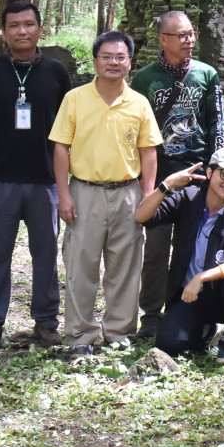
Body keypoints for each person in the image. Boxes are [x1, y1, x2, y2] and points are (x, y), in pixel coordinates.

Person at [0, 2, 73, 350]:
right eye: (14, 26)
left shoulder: (57, 73)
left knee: (45, 255)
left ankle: (46, 322)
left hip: (45, 180)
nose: (21, 32)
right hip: (1, 179)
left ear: (41, 30)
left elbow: (68, 127)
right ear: (4, 32)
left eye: (29, 25)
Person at [50, 30, 162, 356]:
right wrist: (63, 194)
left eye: (120, 57)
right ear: (96, 61)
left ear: (130, 62)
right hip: (84, 192)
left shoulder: (138, 103)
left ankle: (119, 334)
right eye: (107, 57)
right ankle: (79, 336)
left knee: (125, 268)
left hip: (128, 193)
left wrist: (148, 194)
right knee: (80, 265)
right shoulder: (75, 99)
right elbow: (60, 148)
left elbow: (148, 152)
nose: (113, 62)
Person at [130, 10, 223, 338]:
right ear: (163, 39)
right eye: (181, 35)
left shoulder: (206, 74)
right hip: (161, 179)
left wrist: (214, 169)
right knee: (155, 250)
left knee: (191, 248)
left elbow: (216, 124)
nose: (189, 40)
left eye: (191, 34)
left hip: (198, 177)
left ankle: (184, 309)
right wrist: (146, 181)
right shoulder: (145, 79)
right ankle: (151, 315)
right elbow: (138, 131)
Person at [133, 147, 224, 363]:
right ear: (210, 173)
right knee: (167, 343)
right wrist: (167, 185)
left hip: (221, 296)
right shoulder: (189, 199)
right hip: (188, 296)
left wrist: (202, 277)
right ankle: (204, 330)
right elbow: (142, 216)